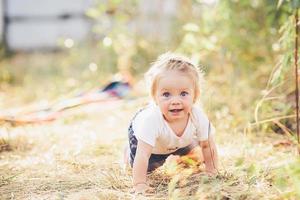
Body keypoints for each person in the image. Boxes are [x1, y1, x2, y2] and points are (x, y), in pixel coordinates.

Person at [125, 52, 218, 194]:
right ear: (155, 98)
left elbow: (207, 145)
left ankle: (180, 153)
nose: (175, 101)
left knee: (196, 155)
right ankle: (127, 152)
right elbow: (143, 154)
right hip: (149, 145)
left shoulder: (198, 116)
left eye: (183, 93)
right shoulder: (150, 121)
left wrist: (212, 171)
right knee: (146, 167)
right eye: (166, 94)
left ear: (195, 96)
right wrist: (139, 184)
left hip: (179, 142)